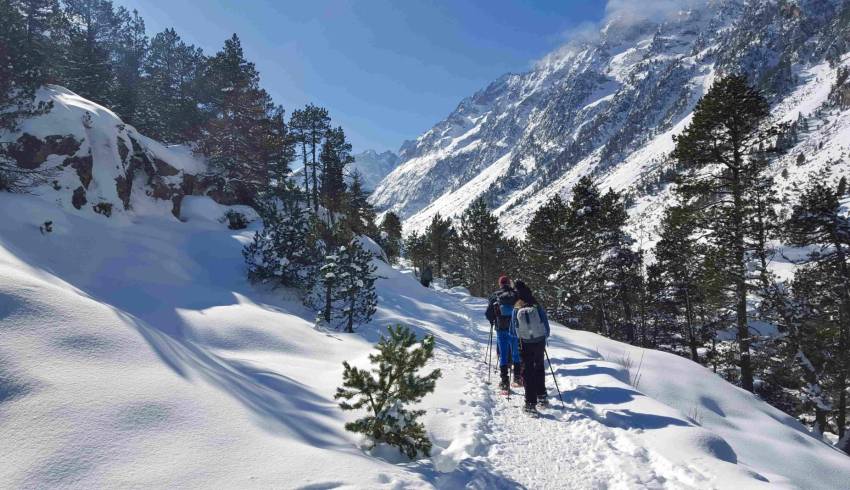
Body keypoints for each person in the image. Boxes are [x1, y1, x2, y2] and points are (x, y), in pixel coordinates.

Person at [511, 280, 551, 413]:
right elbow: (545, 323)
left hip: (524, 343)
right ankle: (542, 396)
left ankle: (530, 404)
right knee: (539, 367)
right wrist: (543, 336)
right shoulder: (535, 303)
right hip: (539, 341)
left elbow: (512, 330)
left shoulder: (517, 305)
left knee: (528, 371)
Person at [485, 276, 522, 392]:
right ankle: (517, 378)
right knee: (515, 352)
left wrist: (492, 320)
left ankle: (504, 382)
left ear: (500, 284)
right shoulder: (516, 295)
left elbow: (488, 313)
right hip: (514, 328)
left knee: (504, 354)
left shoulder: (495, 295)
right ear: (509, 284)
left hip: (501, 328)